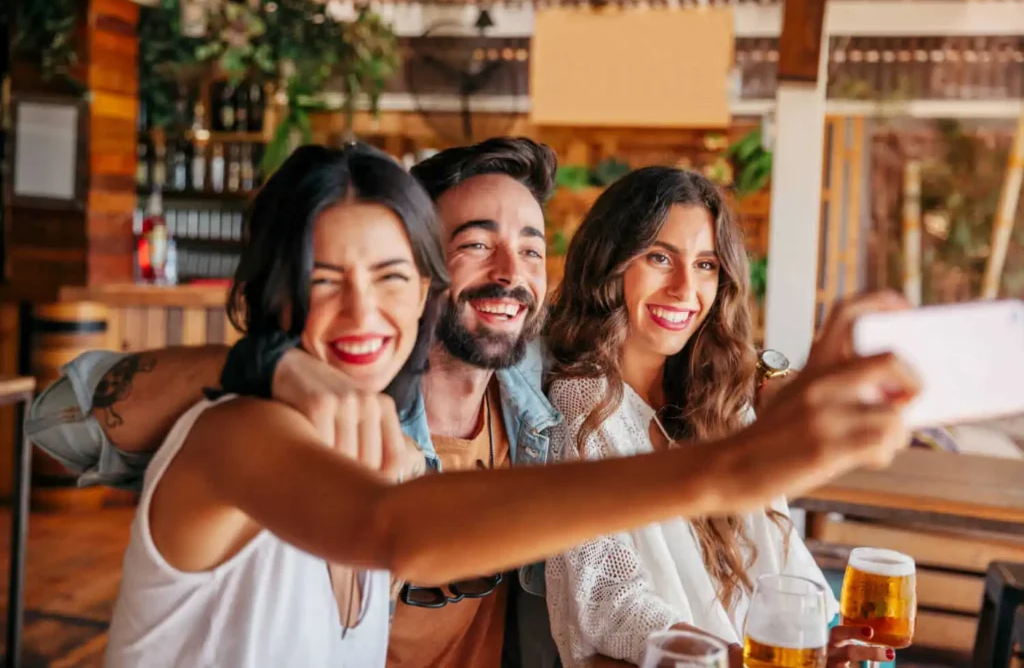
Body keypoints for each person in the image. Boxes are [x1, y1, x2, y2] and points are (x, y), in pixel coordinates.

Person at [27, 139, 915, 668]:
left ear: (418, 292)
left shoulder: (451, 417)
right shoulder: (239, 428)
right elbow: (398, 526)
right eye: (323, 277)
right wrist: (735, 468)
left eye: (387, 276)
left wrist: (775, 385)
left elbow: (654, 372)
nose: (364, 309)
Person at [543, 166, 897, 668]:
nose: (685, 287)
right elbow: (610, 601)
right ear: (610, 264)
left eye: (706, 264)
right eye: (660, 257)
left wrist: (815, 641)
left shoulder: (719, 395)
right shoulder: (582, 402)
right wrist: (740, 660)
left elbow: (775, 544)